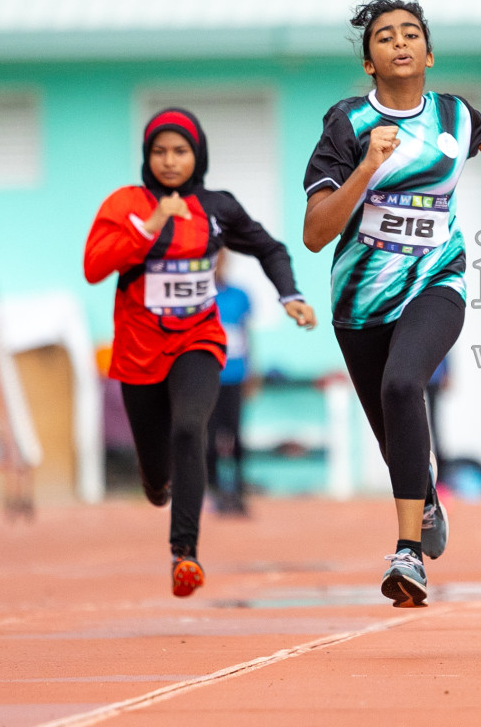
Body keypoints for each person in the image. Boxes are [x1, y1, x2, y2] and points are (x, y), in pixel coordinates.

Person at [302, 0, 481, 609]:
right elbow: (315, 233)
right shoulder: (346, 123)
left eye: (410, 33)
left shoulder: (453, 115)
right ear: (369, 62)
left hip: (435, 280)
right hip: (360, 297)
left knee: (402, 386)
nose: (399, 42)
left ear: (428, 51)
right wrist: (367, 167)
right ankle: (427, 497)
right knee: (393, 436)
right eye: (385, 36)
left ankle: (407, 554)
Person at [84, 109, 316, 597]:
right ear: (147, 156)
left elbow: (270, 248)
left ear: (198, 155)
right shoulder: (126, 204)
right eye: (159, 151)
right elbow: (94, 266)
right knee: (155, 468)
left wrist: (289, 294)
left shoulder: (217, 207)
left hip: (199, 339)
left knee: (191, 428)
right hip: (139, 350)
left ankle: (184, 554)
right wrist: (150, 224)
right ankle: (157, 483)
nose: (170, 161)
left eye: (180, 151)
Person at [206, 251, 252, 516]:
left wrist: (250, 371)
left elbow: (246, 334)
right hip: (210, 376)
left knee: (235, 436)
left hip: (235, 376)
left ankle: (238, 490)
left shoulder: (239, 296)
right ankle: (214, 491)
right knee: (210, 438)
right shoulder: (202, 297)